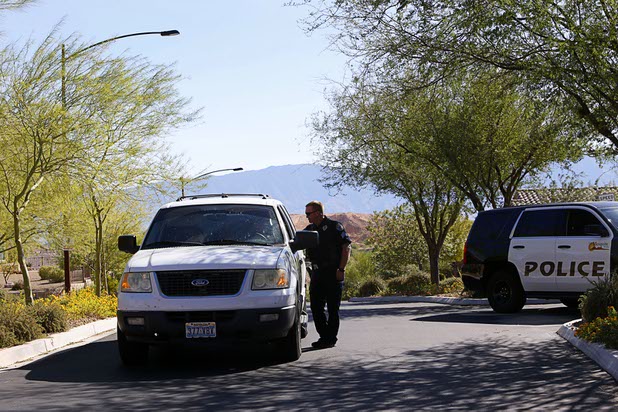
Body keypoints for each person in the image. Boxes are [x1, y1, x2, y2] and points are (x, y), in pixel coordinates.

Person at [304, 200, 352, 349]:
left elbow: (346, 248)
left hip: (333, 272)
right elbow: (297, 244)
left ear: (318, 213)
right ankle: (325, 336)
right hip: (317, 274)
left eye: (309, 213)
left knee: (332, 308)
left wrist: (341, 269)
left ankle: (330, 339)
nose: (307, 217)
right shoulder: (309, 230)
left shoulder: (334, 227)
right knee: (316, 308)